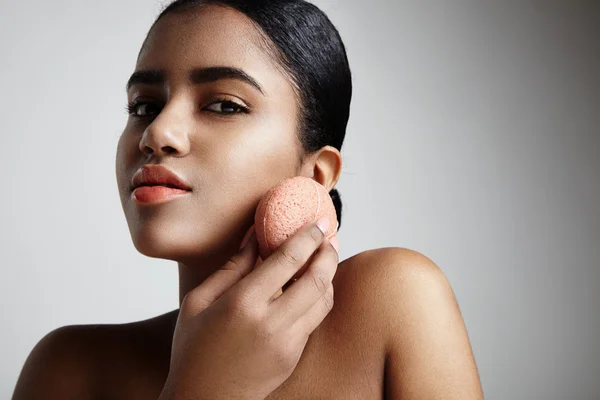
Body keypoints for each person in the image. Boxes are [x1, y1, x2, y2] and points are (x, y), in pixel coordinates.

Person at [12, 0, 484, 399]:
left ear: (316, 173)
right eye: (144, 106)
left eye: (223, 105)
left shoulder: (393, 301)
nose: (157, 132)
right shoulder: (69, 371)